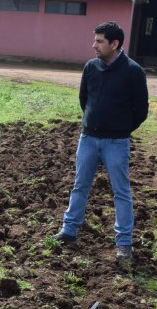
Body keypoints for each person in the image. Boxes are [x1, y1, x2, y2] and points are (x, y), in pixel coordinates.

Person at [56, 21, 147, 265]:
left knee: (121, 191)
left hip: (116, 141)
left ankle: (124, 242)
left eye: (99, 41)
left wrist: (120, 129)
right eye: (95, 39)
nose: (93, 45)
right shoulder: (91, 68)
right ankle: (69, 231)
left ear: (114, 44)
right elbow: (84, 98)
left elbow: (141, 110)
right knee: (79, 185)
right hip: (88, 138)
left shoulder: (133, 71)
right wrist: (92, 122)